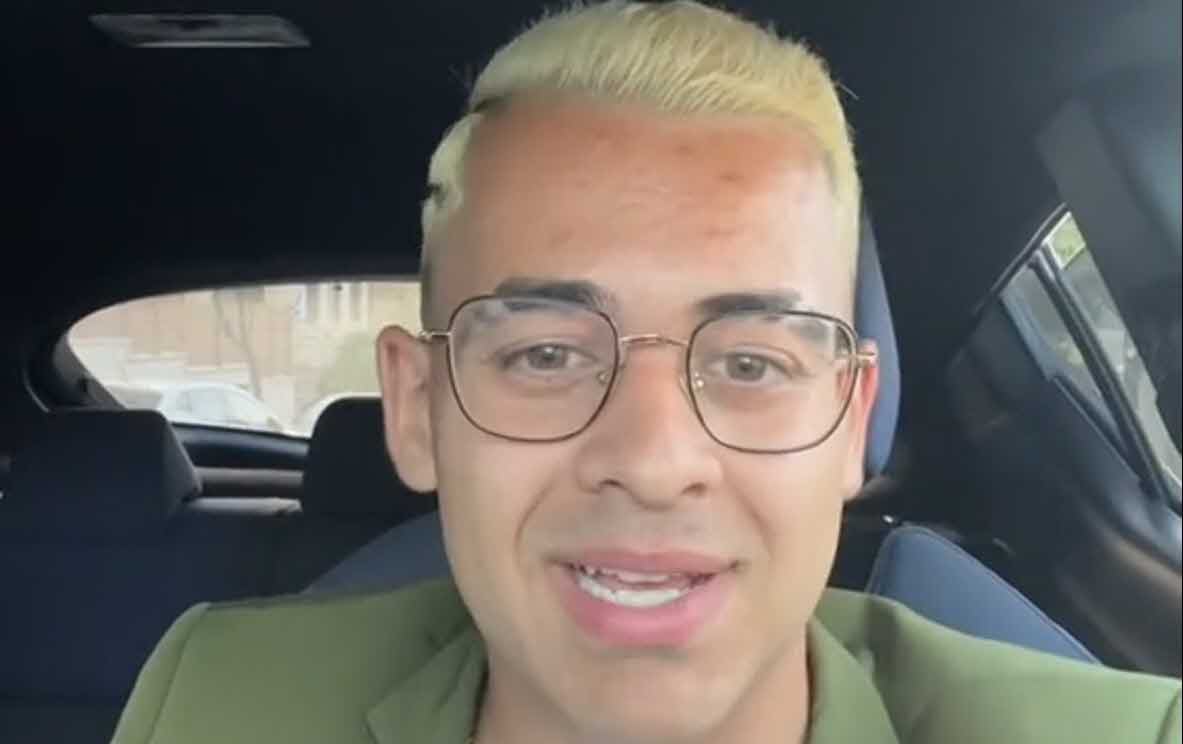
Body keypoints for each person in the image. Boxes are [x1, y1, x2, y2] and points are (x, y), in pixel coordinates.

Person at [111, 2, 1182, 743]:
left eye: (752, 361)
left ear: (852, 423)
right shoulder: (217, 697)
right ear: (419, 410)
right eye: (545, 354)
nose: (655, 461)